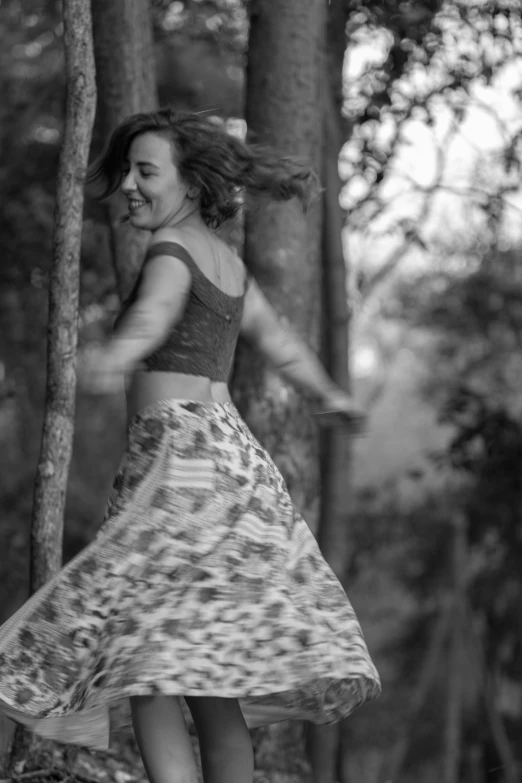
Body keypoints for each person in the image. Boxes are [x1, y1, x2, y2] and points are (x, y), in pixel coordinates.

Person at [0, 109, 380, 783]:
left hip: (181, 462)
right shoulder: (229, 264)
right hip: (235, 464)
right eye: (126, 172)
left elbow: (153, 314)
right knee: (203, 671)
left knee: (147, 665)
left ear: (193, 184)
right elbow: (283, 345)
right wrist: (330, 395)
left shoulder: (172, 254)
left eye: (147, 172)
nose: (128, 187)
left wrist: (119, 354)